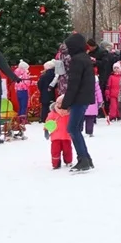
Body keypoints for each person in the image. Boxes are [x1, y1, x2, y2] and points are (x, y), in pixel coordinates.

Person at [58, 33, 95, 172]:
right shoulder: (84, 58)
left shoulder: (77, 60)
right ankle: (86, 158)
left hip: (79, 98)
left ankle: (83, 159)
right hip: (83, 98)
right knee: (76, 128)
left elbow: (73, 84)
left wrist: (65, 103)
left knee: (72, 129)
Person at [45, 96, 73, 169]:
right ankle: (55, 164)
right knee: (55, 150)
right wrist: (46, 130)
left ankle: (68, 161)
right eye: (57, 102)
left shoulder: (69, 112)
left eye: (60, 103)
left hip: (66, 135)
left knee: (67, 150)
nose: (58, 104)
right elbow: (48, 122)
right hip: (55, 136)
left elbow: (73, 122)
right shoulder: (53, 112)